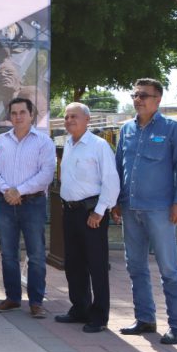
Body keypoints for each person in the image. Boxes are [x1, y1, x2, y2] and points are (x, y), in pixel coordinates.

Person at [114, 78, 177, 345]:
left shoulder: (173, 129)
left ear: (157, 100)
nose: (138, 100)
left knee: (168, 269)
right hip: (130, 208)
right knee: (135, 266)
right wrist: (115, 200)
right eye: (135, 95)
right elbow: (118, 167)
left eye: (144, 95)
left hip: (160, 210)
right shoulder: (126, 129)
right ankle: (145, 319)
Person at [0, 97, 57, 318]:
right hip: (6, 203)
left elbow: (46, 173)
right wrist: (7, 190)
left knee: (36, 254)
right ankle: (13, 298)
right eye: (14, 113)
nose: (17, 117)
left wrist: (20, 190)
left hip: (33, 203)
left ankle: (36, 302)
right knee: (8, 254)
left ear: (31, 115)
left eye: (22, 112)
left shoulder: (44, 142)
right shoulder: (1, 141)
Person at [56, 103, 119, 333]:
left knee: (96, 265)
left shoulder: (98, 146)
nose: (69, 120)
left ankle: (99, 316)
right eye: (66, 116)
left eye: (74, 116)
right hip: (70, 212)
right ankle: (80, 308)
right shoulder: (69, 144)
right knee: (74, 264)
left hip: (91, 213)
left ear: (87, 120)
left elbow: (111, 181)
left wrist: (99, 211)